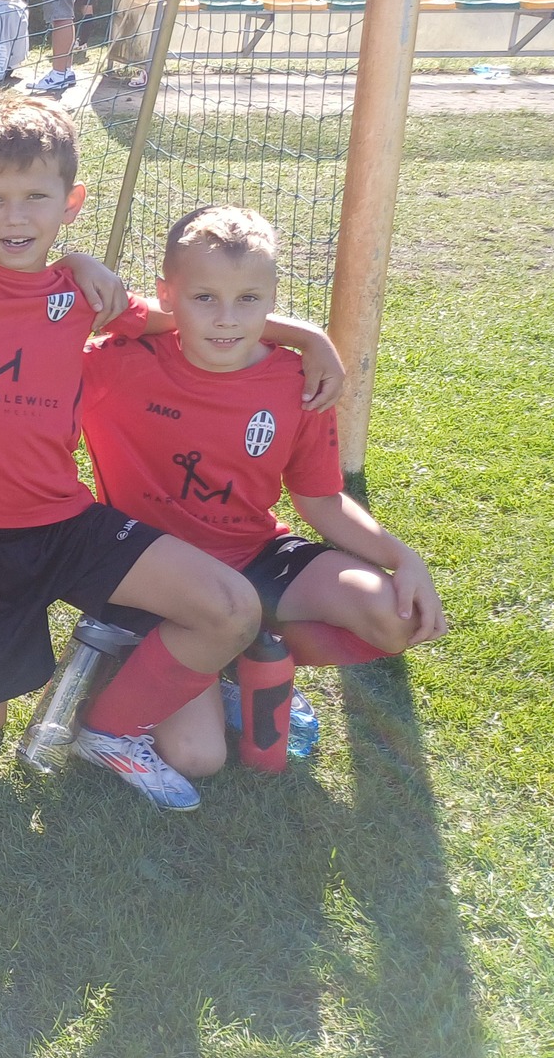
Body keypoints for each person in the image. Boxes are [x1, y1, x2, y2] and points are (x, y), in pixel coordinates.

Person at [0, 98, 341, 811]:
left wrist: (306, 337)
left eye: (36, 198)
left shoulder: (85, 290)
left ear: (71, 204)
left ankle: (108, 731)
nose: (15, 218)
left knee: (232, 608)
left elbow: (183, 319)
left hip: (64, 523)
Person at [79, 205, 446, 775]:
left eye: (249, 299)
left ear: (273, 297)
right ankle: (151, 666)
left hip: (254, 555)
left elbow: (320, 499)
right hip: (159, 574)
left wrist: (404, 559)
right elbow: (52, 321)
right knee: (198, 758)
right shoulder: (117, 365)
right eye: (204, 298)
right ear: (167, 295)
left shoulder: (299, 380)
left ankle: (244, 652)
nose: (227, 319)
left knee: (393, 616)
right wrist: (76, 261)